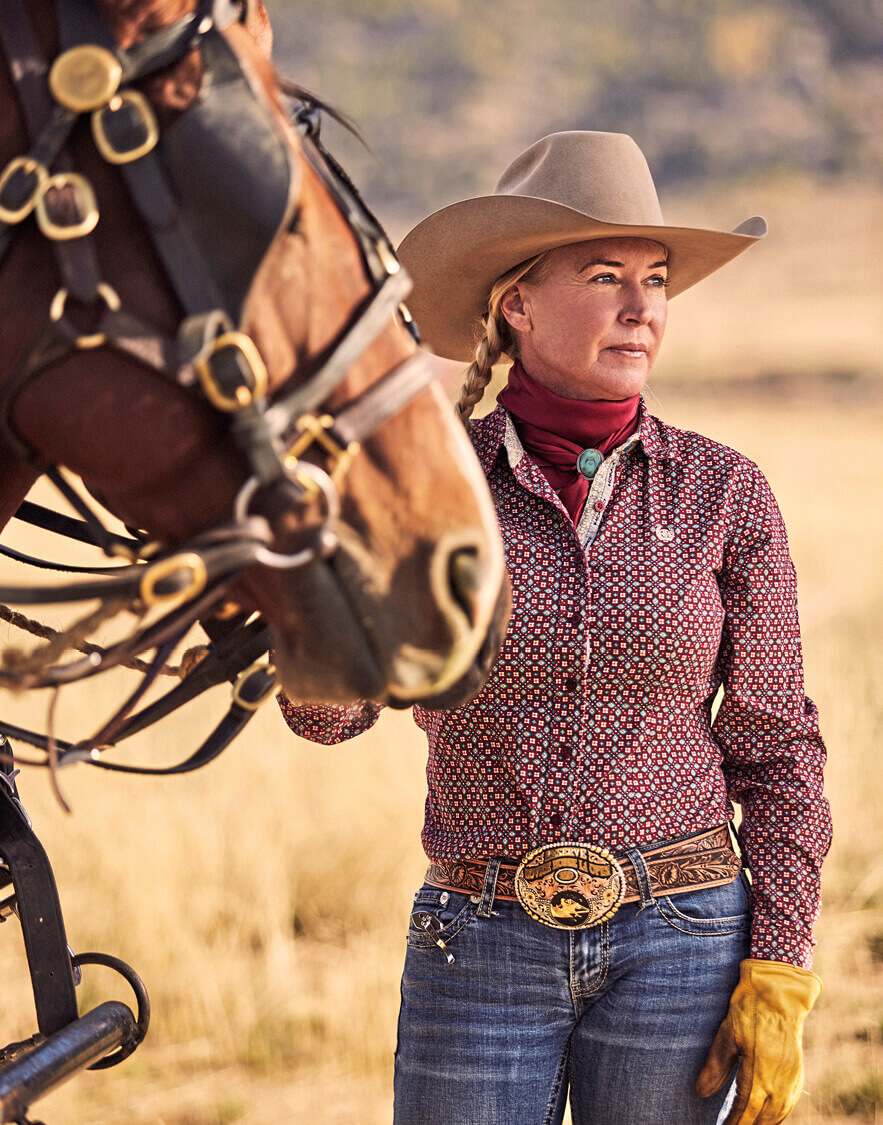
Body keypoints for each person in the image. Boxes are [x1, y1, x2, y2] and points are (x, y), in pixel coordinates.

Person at [278, 131, 831, 1125]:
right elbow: (328, 722)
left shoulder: (724, 493)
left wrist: (781, 966)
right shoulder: (428, 485)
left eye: (656, 280)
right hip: (475, 943)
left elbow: (777, 746)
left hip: (683, 943)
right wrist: (304, 598)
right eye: (606, 274)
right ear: (516, 303)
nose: (641, 306)